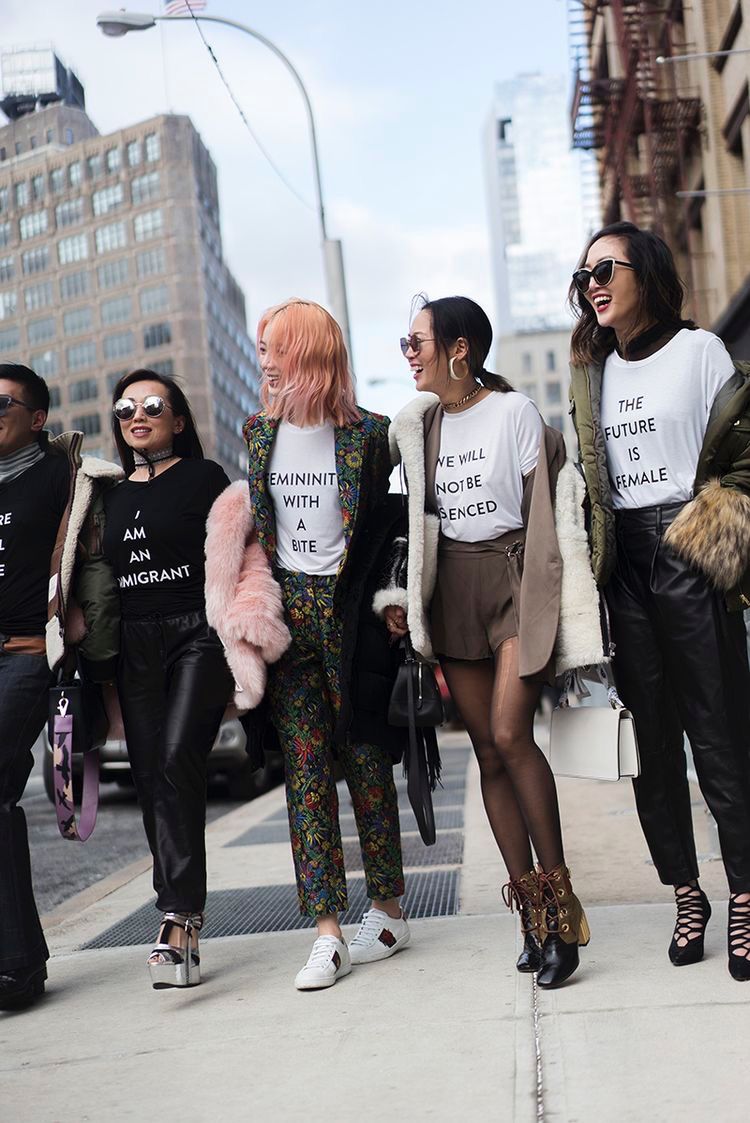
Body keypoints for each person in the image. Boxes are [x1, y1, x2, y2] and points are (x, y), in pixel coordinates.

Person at [379, 296, 591, 989]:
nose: (408, 354)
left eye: (418, 343)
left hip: (515, 577)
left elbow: (542, 514)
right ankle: (527, 910)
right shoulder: (421, 428)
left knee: (511, 732)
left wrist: (552, 600)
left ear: (459, 348)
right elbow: (413, 522)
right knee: (487, 754)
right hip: (454, 593)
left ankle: (562, 912)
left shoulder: (514, 412)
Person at [568, 221, 750, 981]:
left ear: (646, 270)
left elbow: (742, 459)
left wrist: (716, 549)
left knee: (720, 734)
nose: (594, 284)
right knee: (651, 751)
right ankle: (687, 891)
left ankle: (744, 892)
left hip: (691, 548)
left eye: (607, 268)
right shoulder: (594, 371)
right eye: (584, 276)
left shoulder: (700, 351)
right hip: (626, 568)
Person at [212, 298, 408, 991]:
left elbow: (393, 530)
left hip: (352, 613)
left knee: (366, 756)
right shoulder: (257, 433)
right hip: (290, 614)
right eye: (260, 347)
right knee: (304, 768)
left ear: (307, 351)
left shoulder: (371, 435)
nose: (263, 358)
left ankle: (386, 908)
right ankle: (326, 929)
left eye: (272, 347)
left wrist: (396, 599)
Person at [103, 370, 233, 988]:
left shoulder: (204, 478)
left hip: (196, 634)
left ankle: (179, 915)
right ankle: (179, 914)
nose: (138, 415)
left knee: (181, 754)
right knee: (152, 771)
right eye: (126, 407)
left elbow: (241, 552)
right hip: (135, 642)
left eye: (153, 406)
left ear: (178, 419)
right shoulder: (103, 494)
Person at [0, 363, 121, 1011]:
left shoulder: (62, 477)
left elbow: (94, 559)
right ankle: (21, 960)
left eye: (2, 403)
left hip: (26, 655)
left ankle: (17, 965)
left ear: (36, 417)